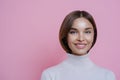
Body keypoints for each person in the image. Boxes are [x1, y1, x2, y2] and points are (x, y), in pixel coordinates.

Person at [40, 10, 116, 80]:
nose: (81, 38)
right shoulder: (50, 75)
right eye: (73, 32)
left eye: (87, 32)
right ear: (65, 36)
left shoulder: (108, 76)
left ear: (94, 35)